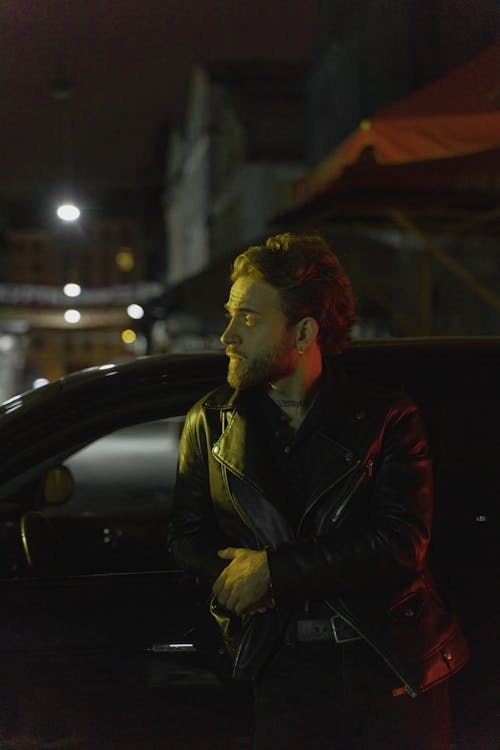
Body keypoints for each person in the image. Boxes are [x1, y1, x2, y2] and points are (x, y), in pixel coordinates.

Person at [168, 232, 469, 750]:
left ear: (303, 331)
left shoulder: (386, 416)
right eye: (230, 313)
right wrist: (233, 582)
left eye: (249, 318)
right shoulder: (210, 421)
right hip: (280, 668)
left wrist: (274, 573)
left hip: (386, 667)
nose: (227, 336)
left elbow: (401, 543)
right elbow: (186, 536)